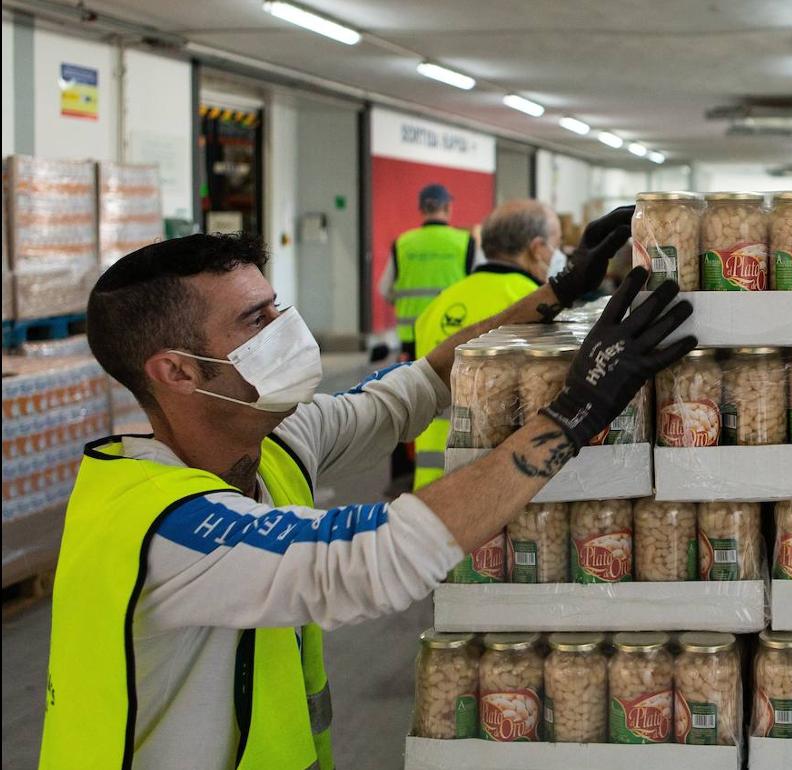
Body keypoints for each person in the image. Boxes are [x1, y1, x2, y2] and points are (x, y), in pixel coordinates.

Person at [38, 207, 693, 770]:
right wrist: (574, 415)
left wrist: (552, 294)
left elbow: (417, 386)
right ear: (177, 371)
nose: (284, 327)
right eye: (254, 318)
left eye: (275, 305)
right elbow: (373, 559)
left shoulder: (273, 445)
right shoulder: (164, 526)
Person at [411, 199, 562, 487]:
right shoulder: (538, 305)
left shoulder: (439, 302)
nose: (557, 254)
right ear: (537, 248)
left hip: (430, 483)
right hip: (495, 486)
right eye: (556, 244)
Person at [377, 184, 475, 359]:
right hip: (452, 333)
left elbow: (384, 289)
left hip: (412, 336)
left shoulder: (402, 243)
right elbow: (479, 285)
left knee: (414, 384)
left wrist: (404, 303)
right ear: (448, 207)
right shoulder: (466, 242)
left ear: (421, 209)